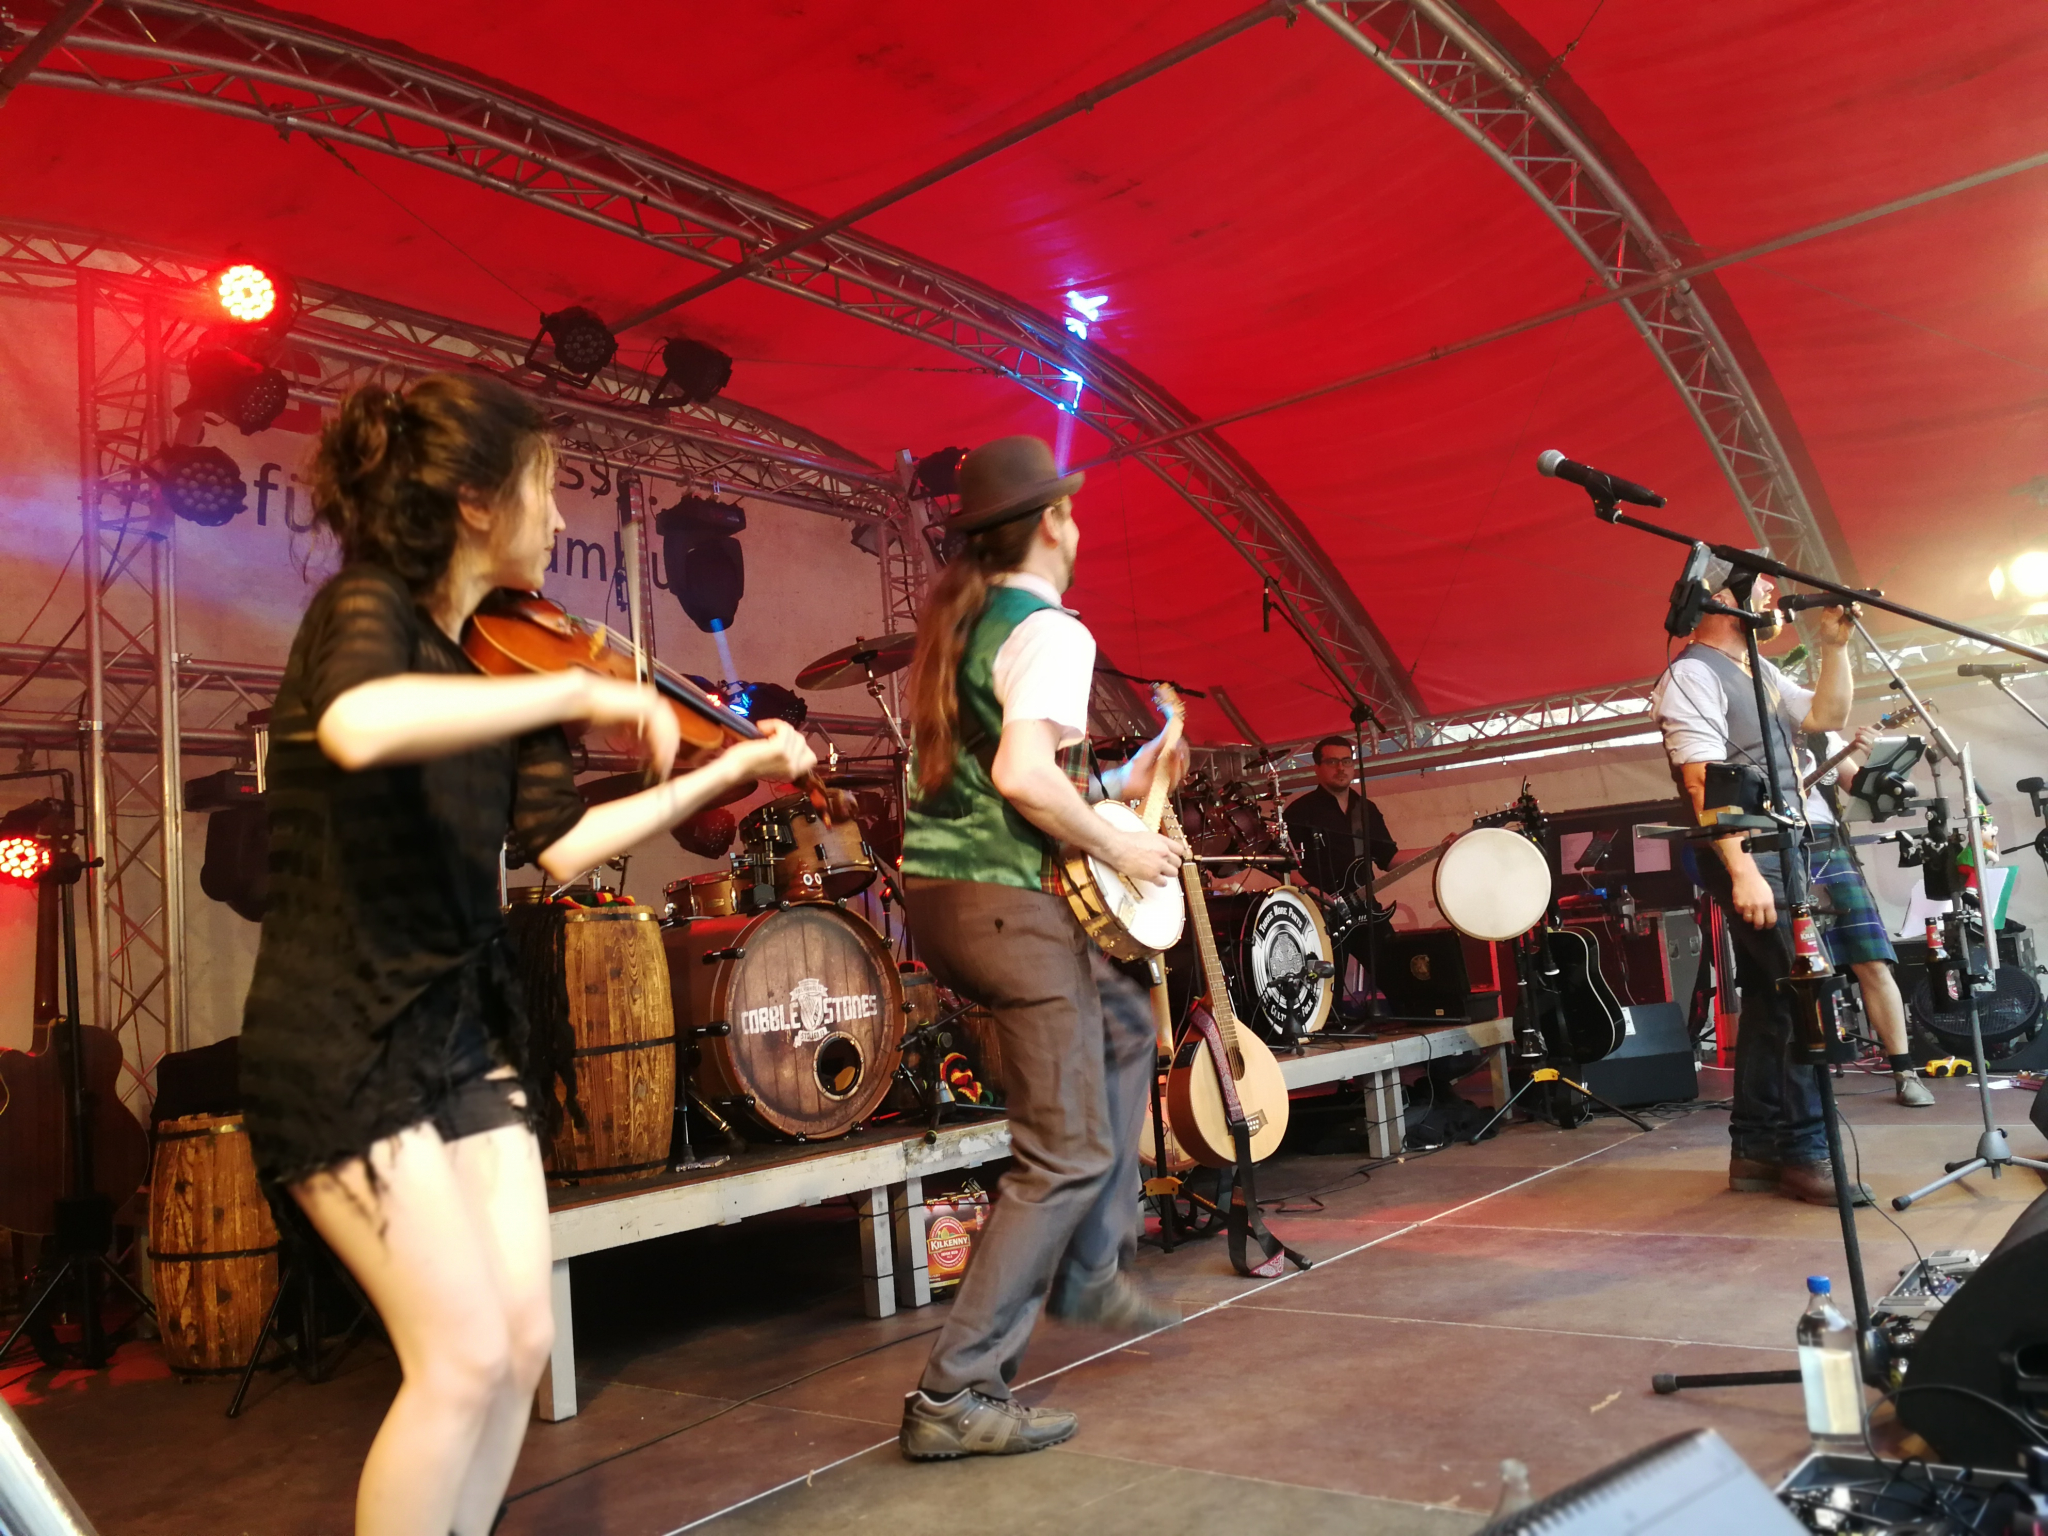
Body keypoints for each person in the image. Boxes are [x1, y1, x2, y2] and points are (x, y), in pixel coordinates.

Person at [238, 375, 815, 1536]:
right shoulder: (368, 611)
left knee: (517, 1342)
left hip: (459, 1026)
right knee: (455, 1362)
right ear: (471, 502)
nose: (557, 521)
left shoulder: (500, 669)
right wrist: (569, 687)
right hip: (340, 1035)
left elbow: (560, 848)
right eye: (544, 491)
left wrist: (726, 770)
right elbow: (358, 724)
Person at [895, 435, 1186, 1460]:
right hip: (1004, 907)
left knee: (1122, 1025)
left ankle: (1088, 1268)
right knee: (1065, 1153)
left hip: (945, 897)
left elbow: (1002, 779)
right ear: (1054, 522)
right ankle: (954, 1394)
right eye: (1072, 508)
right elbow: (1025, 777)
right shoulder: (1053, 628)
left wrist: (1120, 784)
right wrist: (1121, 842)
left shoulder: (970, 624)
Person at [1651, 554, 1873, 1206]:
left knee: (1775, 1002)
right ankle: (1805, 1153)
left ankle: (1755, 1150)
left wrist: (1835, 648)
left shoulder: (1762, 670)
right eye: (1760, 592)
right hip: (1750, 852)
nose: (1772, 604)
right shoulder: (1692, 673)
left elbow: (1825, 716)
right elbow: (1702, 780)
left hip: (1782, 848)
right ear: (1722, 601)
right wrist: (1742, 868)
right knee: (1807, 993)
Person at [1801, 727, 1936, 1106]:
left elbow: (1864, 790)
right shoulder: (1750, 730)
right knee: (1793, 970)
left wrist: (1880, 760)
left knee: (1872, 960)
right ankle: (1804, 1082)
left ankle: (1905, 1072)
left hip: (1827, 843)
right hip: (1774, 844)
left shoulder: (1821, 735)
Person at [1282, 736, 1398, 903]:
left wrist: (1437, 851)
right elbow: (1283, 865)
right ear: (1317, 768)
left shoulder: (1366, 809)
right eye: (1332, 762)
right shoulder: (1300, 811)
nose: (1341, 768)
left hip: (1366, 908)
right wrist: (1311, 891)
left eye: (1346, 761)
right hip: (1320, 909)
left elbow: (1388, 858)